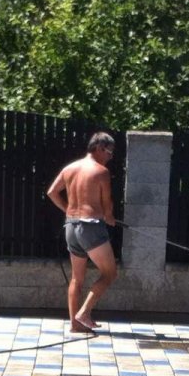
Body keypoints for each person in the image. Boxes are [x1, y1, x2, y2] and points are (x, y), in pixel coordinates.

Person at [47, 132, 117, 334]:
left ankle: (75, 324)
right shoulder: (101, 172)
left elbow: (52, 192)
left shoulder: (69, 168)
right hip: (91, 227)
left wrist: (68, 210)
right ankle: (84, 313)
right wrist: (109, 217)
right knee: (110, 273)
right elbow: (107, 205)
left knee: (77, 278)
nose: (110, 157)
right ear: (100, 148)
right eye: (109, 152)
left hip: (71, 226)